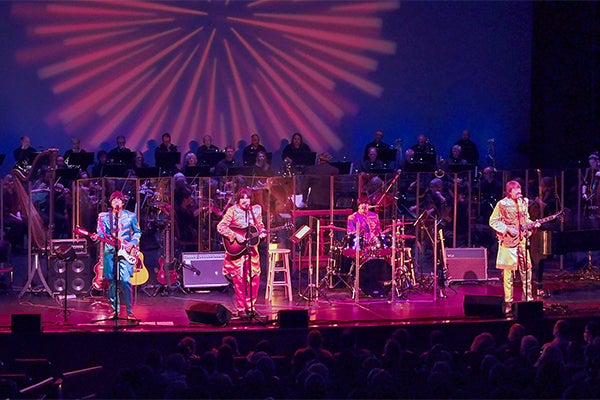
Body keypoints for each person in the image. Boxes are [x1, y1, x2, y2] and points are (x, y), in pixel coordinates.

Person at [489, 180, 540, 313]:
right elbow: (493, 220)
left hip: (522, 241)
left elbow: (525, 219)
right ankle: (508, 302)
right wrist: (507, 229)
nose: (519, 192)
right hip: (509, 243)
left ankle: (528, 299)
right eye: (516, 190)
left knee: (526, 271)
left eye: (520, 190)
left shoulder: (524, 203)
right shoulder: (502, 204)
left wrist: (533, 224)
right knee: (508, 275)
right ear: (509, 191)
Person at [90, 190, 142, 319]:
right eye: (114, 200)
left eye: (119, 199)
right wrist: (96, 237)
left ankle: (129, 312)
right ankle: (115, 310)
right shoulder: (103, 216)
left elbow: (137, 232)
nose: (116, 202)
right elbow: (100, 234)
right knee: (112, 281)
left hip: (125, 251)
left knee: (125, 280)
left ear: (123, 202)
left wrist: (132, 243)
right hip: (110, 251)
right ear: (111, 202)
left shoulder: (130, 216)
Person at [216, 187, 266, 317]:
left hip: (252, 251)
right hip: (237, 252)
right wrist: (234, 235)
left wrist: (262, 232)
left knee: (254, 279)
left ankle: (251, 307)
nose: (245, 200)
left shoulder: (255, 210)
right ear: (238, 199)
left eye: (247, 197)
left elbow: (259, 225)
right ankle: (241, 308)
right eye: (242, 197)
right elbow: (221, 226)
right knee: (239, 281)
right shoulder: (232, 211)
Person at [582, 152, 600, 221]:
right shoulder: (589, 170)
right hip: (592, 191)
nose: (591, 165)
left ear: (597, 162)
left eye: (593, 163)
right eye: (590, 164)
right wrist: (584, 193)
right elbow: (585, 182)